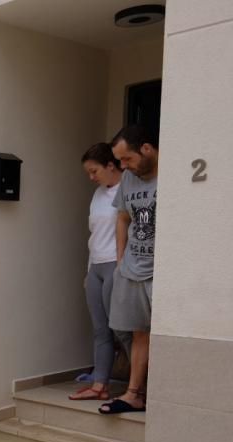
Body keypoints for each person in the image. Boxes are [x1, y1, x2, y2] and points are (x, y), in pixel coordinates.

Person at [100, 125, 158, 415]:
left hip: (161, 272)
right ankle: (134, 393)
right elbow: (123, 218)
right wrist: (121, 258)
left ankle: (155, 394)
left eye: (127, 159)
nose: (123, 167)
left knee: (158, 334)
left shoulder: (170, 176)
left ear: (146, 149)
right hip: (133, 268)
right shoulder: (129, 181)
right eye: (120, 161)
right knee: (137, 333)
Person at [70, 143, 124, 401]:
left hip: (117, 264)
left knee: (122, 328)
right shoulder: (98, 194)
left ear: (110, 166)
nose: (91, 178)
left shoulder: (129, 188)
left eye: (94, 171)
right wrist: (88, 271)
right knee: (100, 330)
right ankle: (100, 385)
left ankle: (139, 386)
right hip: (96, 266)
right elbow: (95, 234)